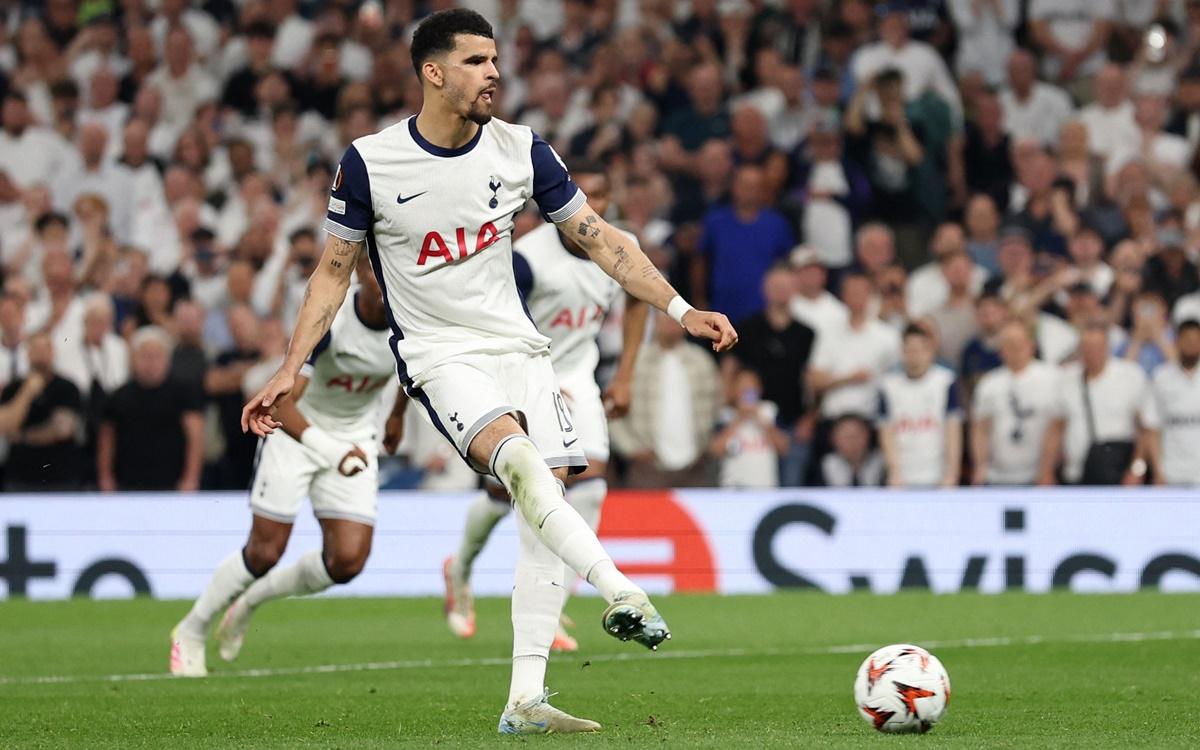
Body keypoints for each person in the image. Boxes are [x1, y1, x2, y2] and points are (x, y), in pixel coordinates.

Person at [239, 9, 737, 735]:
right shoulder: (370, 162)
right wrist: (291, 367)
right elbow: (332, 272)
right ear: (432, 73)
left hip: (523, 352)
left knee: (545, 513)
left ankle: (525, 700)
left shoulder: (522, 149)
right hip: (442, 356)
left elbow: (601, 238)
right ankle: (622, 589)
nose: (494, 73)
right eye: (475, 61)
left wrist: (680, 307)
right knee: (527, 473)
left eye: (495, 60)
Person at [430, 159, 650, 651]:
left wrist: (627, 373)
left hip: (578, 375)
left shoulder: (618, 247)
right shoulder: (527, 259)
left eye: (600, 197)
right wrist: (533, 381)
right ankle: (460, 569)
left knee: (588, 487)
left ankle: (550, 606)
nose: (589, 207)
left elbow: (638, 299)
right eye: (582, 195)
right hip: (523, 368)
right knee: (511, 491)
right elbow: (499, 319)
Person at [171, 255, 397, 676]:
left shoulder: (412, 316)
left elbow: (415, 366)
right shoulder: (331, 321)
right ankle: (192, 628)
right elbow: (281, 403)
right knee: (265, 552)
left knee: (348, 560)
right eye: (373, 270)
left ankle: (250, 601)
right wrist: (331, 452)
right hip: (296, 432)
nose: (383, 280)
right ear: (358, 274)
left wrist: (398, 415)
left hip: (354, 435)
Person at [1040, 323, 1149, 486]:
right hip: (1076, 473)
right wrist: (1046, 471)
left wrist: (1137, 468)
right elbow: (1056, 429)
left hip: (1118, 472)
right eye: (1087, 347)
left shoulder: (1130, 375)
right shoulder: (1066, 379)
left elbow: (1145, 428)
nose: (1091, 352)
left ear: (1107, 347)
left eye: (1097, 347)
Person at [97, 326, 203, 491]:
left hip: (172, 483)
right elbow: (107, 437)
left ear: (167, 359)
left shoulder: (184, 393)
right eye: (145, 356)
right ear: (133, 359)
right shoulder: (119, 395)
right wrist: (105, 477)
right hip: (127, 484)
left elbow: (195, 437)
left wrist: (191, 478)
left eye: (156, 356)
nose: (151, 362)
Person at [970, 320, 1061, 486]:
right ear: (1000, 350)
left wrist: (1047, 470)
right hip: (997, 476)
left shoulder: (1051, 378)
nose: (1014, 349)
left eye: (1019, 343)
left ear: (1031, 345)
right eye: (1008, 344)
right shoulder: (989, 383)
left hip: (1037, 475)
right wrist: (980, 466)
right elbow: (981, 429)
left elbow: (1056, 427)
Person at [878, 323, 962, 488]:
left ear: (930, 351)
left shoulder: (945, 382)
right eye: (909, 350)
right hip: (902, 475)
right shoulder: (888, 386)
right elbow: (886, 431)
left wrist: (951, 473)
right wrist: (894, 471)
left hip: (936, 473)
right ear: (902, 351)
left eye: (919, 350)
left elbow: (952, 428)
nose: (914, 355)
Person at [0, 330, 85, 490]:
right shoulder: (14, 388)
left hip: (61, 475)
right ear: (28, 353)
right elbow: (5, 426)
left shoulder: (67, 387)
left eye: (44, 349)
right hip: (20, 475)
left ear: (53, 352)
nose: (40, 355)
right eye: (36, 350)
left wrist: (22, 436)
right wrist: (26, 393)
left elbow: (62, 430)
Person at [1142, 319, 1200, 486]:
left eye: (1196, 341)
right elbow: (1152, 427)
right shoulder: (1161, 377)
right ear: (1177, 341)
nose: (1191, 345)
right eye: (1187, 340)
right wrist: (1158, 471)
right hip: (1172, 473)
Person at [710, 368, 789, 488]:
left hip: (766, 486)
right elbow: (715, 451)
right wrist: (739, 418)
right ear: (734, 389)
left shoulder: (770, 410)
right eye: (741, 386)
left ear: (759, 389)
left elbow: (784, 448)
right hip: (733, 487)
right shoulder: (725, 415)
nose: (746, 390)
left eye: (750, 386)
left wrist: (759, 418)